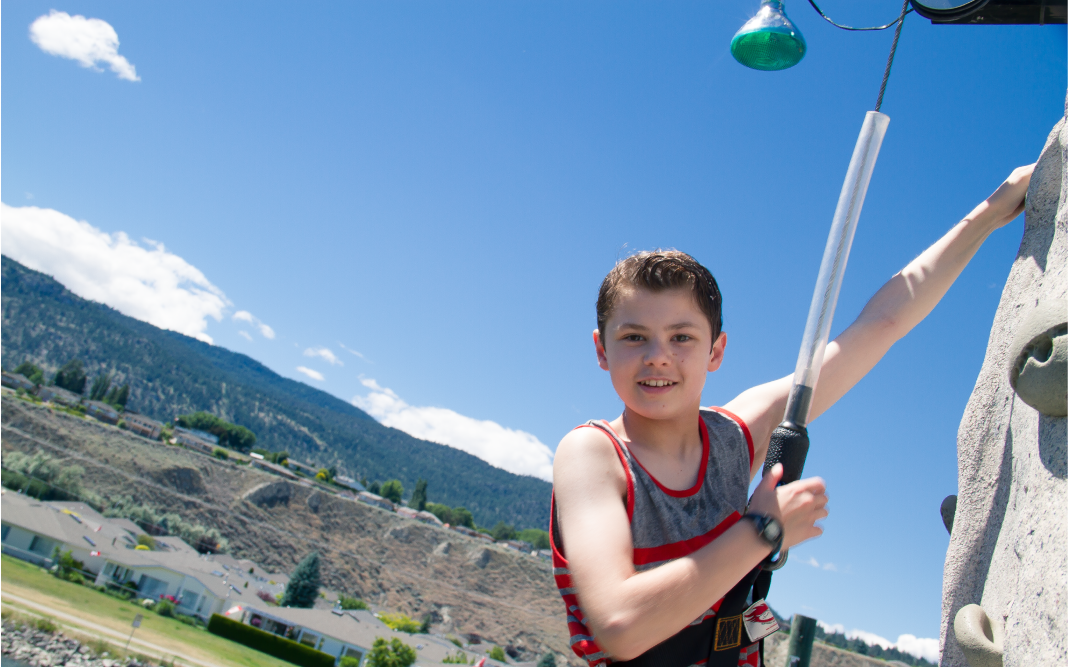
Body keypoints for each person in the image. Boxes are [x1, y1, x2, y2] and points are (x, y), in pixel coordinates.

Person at [550, 165, 1035, 667]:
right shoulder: (593, 453)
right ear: (601, 350)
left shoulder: (737, 435)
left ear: (716, 351)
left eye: (682, 337)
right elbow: (621, 627)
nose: (658, 356)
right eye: (634, 337)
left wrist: (989, 215)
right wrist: (761, 530)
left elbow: (880, 324)